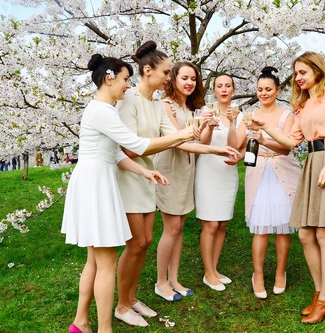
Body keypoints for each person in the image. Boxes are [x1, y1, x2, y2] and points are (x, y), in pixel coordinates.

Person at [61, 53, 195, 333]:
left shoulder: (102, 110)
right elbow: (136, 143)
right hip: (95, 185)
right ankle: (104, 328)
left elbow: (116, 154)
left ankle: (81, 322)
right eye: (124, 79)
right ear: (109, 78)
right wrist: (183, 134)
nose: (127, 85)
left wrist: (145, 172)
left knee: (94, 261)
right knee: (106, 262)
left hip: (95, 180)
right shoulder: (102, 110)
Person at [115, 41, 237, 326]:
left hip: (151, 175)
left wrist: (216, 149)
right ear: (149, 71)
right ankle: (125, 302)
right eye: (169, 73)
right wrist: (188, 135)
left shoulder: (156, 104)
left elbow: (181, 139)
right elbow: (133, 147)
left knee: (144, 242)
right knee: (137, 243)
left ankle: (132, 298)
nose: (170, 78)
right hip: (136, 174)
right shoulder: (131, 98)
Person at [250, 52, 325, 323]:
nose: (298, 78)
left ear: (317, 71)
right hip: (313, 163)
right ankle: (320, 292)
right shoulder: (302, 105)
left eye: (303, 72)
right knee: (304, 235)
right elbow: (290, 143)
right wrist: (265, 126)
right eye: (296, 74)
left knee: (324, 235)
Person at [231, 67, 301, 298]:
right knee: (260, 229)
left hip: (283, 172)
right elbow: (237, 143)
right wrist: (234, 123)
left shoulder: (287, 115)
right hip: (258, 173)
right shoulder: (249, 116)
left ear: (278, 90)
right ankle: (258, 274)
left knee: (283, 229)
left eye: (268, 89)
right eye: (260, 89)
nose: (263, 93)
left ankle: (281, 272)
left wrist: (264, 140)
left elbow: (286, 147)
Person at [153, 61, 205, 301]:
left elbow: (199, 142)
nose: (189, 83)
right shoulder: (166, 106)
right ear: (173, 79)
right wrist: (216, 151)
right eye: (184, 78)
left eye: (193, 79)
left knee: (179, 227)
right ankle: (161, 282)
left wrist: (207, 126)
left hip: (187, 170)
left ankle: (174, 279)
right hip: (170, 170)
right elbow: (178, 140)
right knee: (171, 228)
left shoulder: (190, 108)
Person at [194, 73, 243, 291]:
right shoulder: (206, 111)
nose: (223, 89)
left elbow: (235, 145)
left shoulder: (240, 115)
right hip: (208, 171)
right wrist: (211, 127)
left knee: (222, 223)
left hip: (227, 174)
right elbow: (202, 143)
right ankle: (207, 272)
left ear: (233, 89)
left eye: (228, 86)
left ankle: (214, 269)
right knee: (210, 223)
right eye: (219, 86)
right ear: (214, 90)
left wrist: (232, 123)